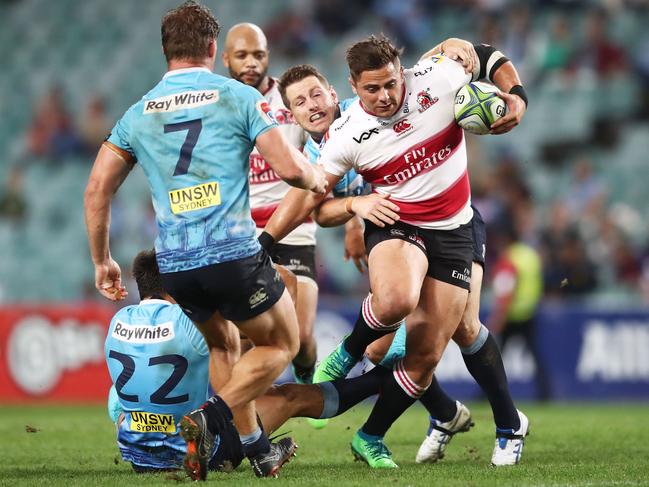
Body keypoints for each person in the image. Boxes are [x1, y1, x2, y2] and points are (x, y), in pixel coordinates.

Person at [84, 2, 327, 481]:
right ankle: (210, 418)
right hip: (232, 253)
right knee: (282, 343)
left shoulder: (139, 112)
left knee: (222, 348)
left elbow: (96, 190)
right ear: (213, 49)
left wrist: (102, 260)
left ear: (165, 51)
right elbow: (289, 168)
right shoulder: (236, 96)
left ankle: (258, 451)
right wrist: (317, 177)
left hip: (176, 263)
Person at [263, 34, 529, 468]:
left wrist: (515, 96)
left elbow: (483, 55)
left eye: (391, 84)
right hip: (399, 223)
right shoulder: (338, 141)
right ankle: (353, 360)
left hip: (456, 224)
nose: (385, 96)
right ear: (352, 86)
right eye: (373, 89)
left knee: (439, 343)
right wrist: (270, 241)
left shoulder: (436, 78)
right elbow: (312, 201)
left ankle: (486, 423)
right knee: (390, 314)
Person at [220, 23, 320, 384]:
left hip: (293, 228)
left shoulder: (293, 100)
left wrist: (353, 221)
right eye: (242, 55)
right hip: (241, 234)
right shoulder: (218, 105)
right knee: (244, 337)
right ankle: (245, 421)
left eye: (259, 55)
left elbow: (333, 156)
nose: (251, 63)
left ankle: (306, 374)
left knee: (304, 339)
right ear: (225, 58)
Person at [105, 250, 246, 474]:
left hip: (140, 459)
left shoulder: (118, 320)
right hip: (197, 450)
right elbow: (243, 334)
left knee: (119, 394)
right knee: (242, 393)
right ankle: (260, 447)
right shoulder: (189, 319)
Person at [488, 219, 550, 401]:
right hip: (529, 312)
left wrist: (498, 316)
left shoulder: (509, 258)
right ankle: (545, 392)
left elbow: (506, 290)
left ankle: (489, 392)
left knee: (494, 358)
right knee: (535, 355)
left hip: (511, 315)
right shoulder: (530, 255)